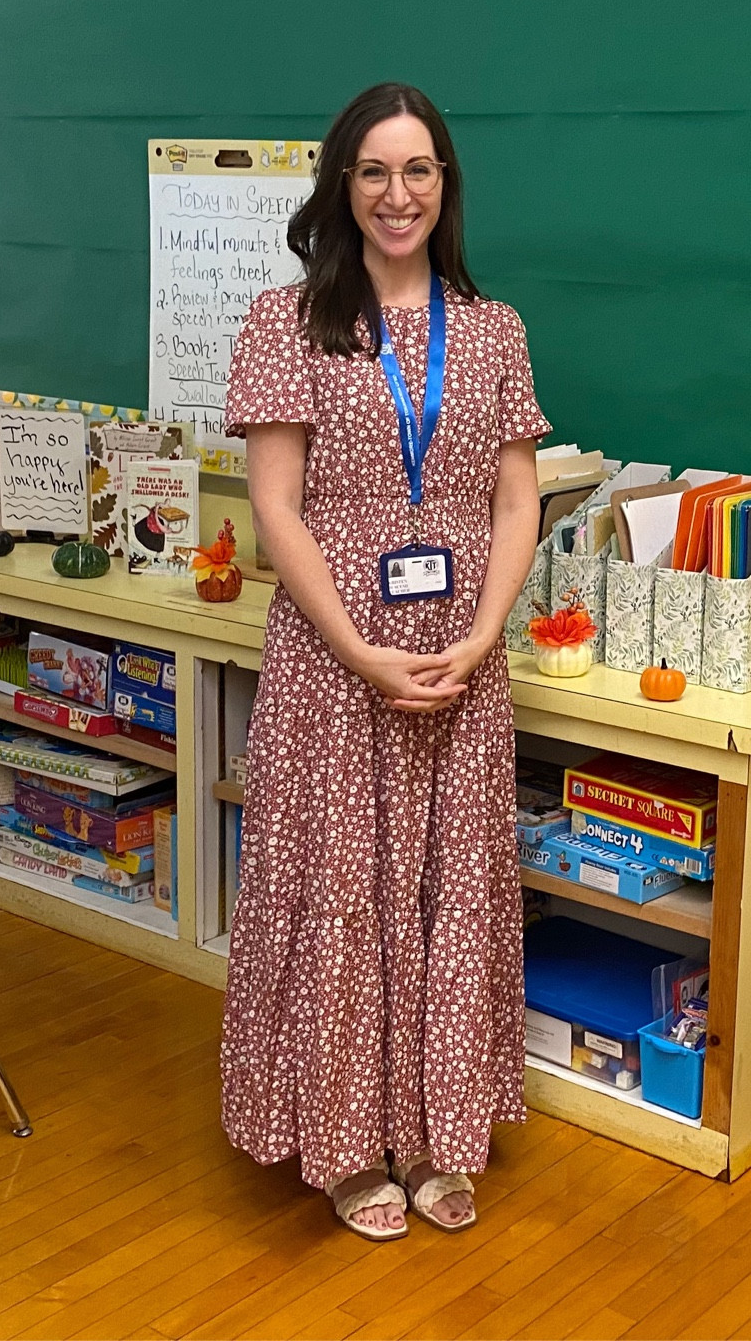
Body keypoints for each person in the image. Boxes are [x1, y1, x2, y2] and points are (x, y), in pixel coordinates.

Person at [218, 82, 550, 1243]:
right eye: (372, 171)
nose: (396, 194)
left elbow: (517, 498)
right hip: (332, 663)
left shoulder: (493, 326)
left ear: (444, 185)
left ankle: (435, 1134)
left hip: (462, 660)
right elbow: (275, 512)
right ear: (339, 185)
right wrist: (361, 648)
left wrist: (483, 628)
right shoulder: (286, 321)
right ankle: (349, 1142)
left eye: (418, 171)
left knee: (450, 893)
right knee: (342, 892)